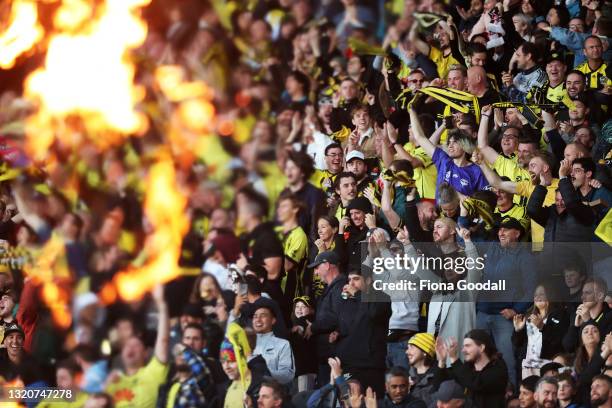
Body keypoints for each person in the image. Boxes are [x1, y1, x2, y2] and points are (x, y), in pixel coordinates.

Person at [476, 217, 538, 385]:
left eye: (506, 229)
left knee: (507, 362)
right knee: (477, 360)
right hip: (481, 313)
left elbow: (531, 289)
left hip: (504, 318)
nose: (501, 232)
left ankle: (513, 398)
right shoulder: (492, 248)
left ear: (517, 233)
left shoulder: (525, 257)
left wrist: (516, 309)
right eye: (499, 229)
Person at [105, 285, 170, 407]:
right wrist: (105, 387)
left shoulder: (153, 372)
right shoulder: (114, 382)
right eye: (127, 345)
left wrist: (161, 303)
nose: (130, 348)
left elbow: (163, 340)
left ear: (145, 353)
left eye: (136, 345)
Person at [335, 267, 391, 396]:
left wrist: (358, 294)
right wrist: (337, 332)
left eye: (356, 279)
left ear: (369, 280)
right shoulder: (349, 301)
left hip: (371, 365)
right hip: (349, 363)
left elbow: (374, 314)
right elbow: (348, 326)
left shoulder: (382, 297)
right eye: (349, 280)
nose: (351, 284)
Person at [409, 108, 488, 199]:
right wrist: (412, 111)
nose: (450, 146)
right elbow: (420, 137)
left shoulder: (476, 171)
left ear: (464, 144)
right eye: (449, 142)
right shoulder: (443, 161)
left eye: (455, 142)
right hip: (439, 212)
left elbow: (484, 199)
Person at [435, 329, 508, 408]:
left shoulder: (498, 368)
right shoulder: (468, 367)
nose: (463, 350)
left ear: (481, 347)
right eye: (463, 346)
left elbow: (475, 383)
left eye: (468, 346)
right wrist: (442, 361)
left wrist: (454, 358)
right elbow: (440, 386)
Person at [304, 251, 346, 387]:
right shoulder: (332, 288)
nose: (315, 273)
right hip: (326, 355)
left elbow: (337, 317)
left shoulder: (340, 287)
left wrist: (313, 327)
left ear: (327, 265)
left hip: (334, 356)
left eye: (317, 267)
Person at [512, 284, 569, 379]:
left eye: (541, 294)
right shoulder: (528, 316)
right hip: (527, 366)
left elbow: (559, 342)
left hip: (547, 366)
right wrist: (518, 330)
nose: (537, 297)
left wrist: (542, 327)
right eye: (535, 295)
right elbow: (517, 344)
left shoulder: (560, 315)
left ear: (549, 296)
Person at [252, 305, 295, 385]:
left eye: (263, 315)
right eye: (255, 316)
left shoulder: (283, 344)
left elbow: (288, 375)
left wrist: (265, 372)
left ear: (273, 320)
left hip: (270, 392)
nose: (258, 319)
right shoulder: (245, 342)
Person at [406, 333, 439, 406]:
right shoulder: (406, 376)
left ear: (425, 351)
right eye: (408, 348)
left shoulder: (439, 376)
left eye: (412, 347)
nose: (407, 352)